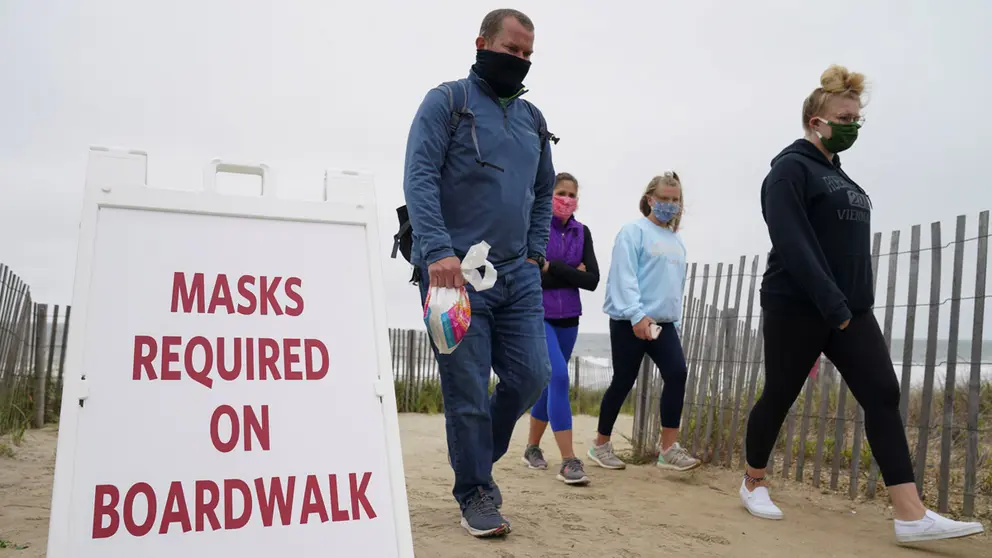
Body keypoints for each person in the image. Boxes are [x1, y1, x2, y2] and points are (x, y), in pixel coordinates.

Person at [741, 64, 984, 544]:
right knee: (781, 394)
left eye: (857, 117)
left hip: (851, 309)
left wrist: (851, 304)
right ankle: (753, 481)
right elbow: (793, 242)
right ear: (816, 120)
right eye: (844, 116)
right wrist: (832, 303)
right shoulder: (789, 170)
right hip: (798, 304)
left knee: (882, 394)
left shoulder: (840, 175)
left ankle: (910, 515)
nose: (853, 125)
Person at [402, 9, 556, 538]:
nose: (518, 61)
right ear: (482, 43)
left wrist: (536, 253)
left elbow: (542, 193)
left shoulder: (535, 120)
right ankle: (475, 491)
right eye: (510, 50)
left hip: (518, 275)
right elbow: (418, 177)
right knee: (466, 389)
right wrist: (437, 251)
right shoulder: (447, 102)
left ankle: (474, 458)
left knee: (533, 375)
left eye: (526, 55)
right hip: (451, 276)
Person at [587, 172, 702, 473]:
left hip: (663, 323)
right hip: (630, 320)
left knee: (677, 373)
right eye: (663, 199)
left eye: (674, 200)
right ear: (650, 199)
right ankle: (600, 445)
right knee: (624, 381)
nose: (669, 204)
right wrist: (637, 314)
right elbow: (624, 276)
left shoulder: (676, 241)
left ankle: (668, 450)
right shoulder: (633, 232)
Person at [521, 172, 599, 485]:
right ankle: (569, 461)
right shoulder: (534, 227)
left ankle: (531, 448)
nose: (566, 199)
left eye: (571, 194)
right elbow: (531, 275)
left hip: (570, 319)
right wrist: (571, 273)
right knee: (559, 376)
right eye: (561, 193)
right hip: (539, 314)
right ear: (549, 195)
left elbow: (591, 279)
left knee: (548, 382)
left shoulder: (583, 232)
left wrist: (552, 267)